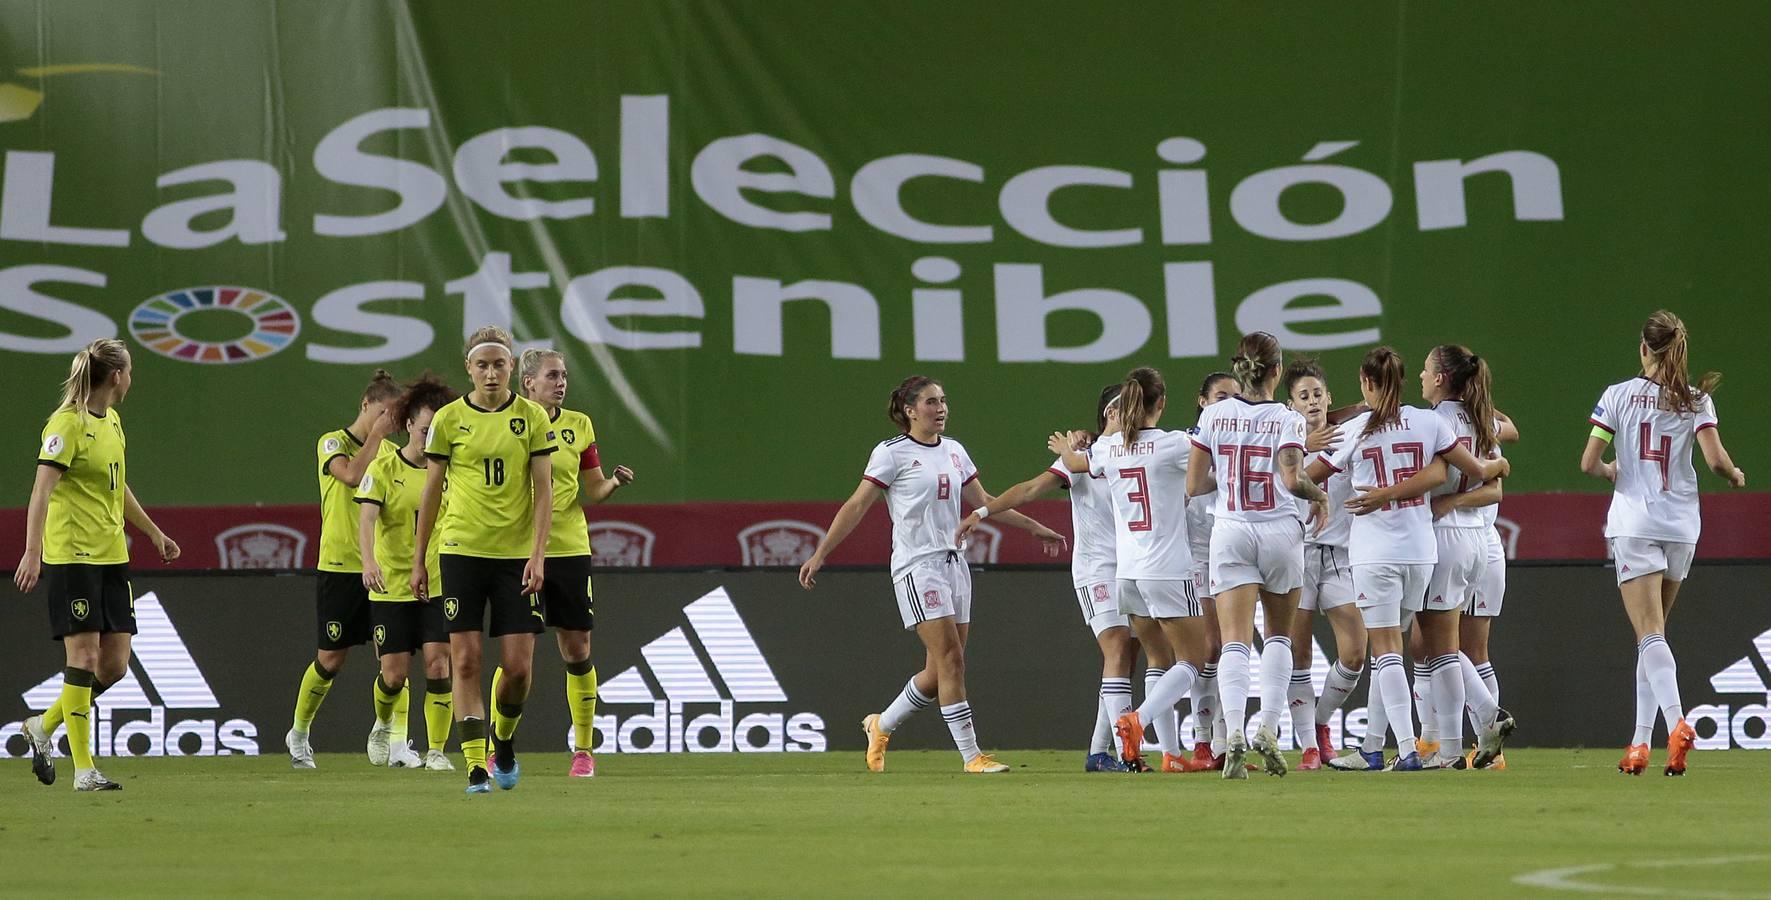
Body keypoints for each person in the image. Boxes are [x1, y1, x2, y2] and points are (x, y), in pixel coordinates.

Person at [799, 376, 1065, 774]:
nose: (940, 409)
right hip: (916, 566)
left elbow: (988, 502)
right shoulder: (891, 454)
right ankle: (972, 757)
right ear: (909, 411)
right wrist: (821, 552)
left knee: (938, 671)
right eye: (930, 402)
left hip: (955, 565)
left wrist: (1034, 527)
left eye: (943, 401)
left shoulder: (955, 451)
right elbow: (856, 505)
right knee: (951, 660)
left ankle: (881, 724)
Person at [1310, 347, 1510, 772]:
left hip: (1416, 541)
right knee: (1421, 649)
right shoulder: (1450, 419)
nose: (1422, 375)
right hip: (1451, 543)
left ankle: (1456, 736)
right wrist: (1499, 465)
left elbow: (1307, 475)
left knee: (1422, 651)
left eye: (1427, 369)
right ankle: (1381, 745)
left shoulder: (1377, 426)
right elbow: (1478, 456)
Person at [1582, 310, 1745, 777]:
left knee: (1649, 633)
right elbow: (1715, 460)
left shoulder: (1616, 396)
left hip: (1634, 523)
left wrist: (1613, 471)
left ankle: (1676, 723)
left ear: (1643, 348)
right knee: (1653, 636)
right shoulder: (1696, 400)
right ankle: (1638, 744)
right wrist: (1733, 474)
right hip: (1681, 528)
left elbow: (1589, 461)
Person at [16, 339, 180, 790]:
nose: (132, 379)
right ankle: (84, 770)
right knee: (84, 657)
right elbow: (41, 491)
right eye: (129, 372)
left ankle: (43, 726)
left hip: (112, 557)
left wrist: (152, 532)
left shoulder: (113, 423)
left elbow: (117, 486)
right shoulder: (65, 425)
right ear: (115, 377)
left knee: (114, 666)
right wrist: (33, 552)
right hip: (73, 557)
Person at [952, 386, 1135, 772]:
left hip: (1135, 567)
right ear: (1108, 414)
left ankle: (1099, 752)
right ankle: (1127, 754)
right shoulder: (1080, 458)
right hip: (1096, 568)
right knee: (1117, 649)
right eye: (1123, 407)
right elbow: (1030, 489)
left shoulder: (1140, 454)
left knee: (1124, 658)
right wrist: (981, 513)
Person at [413, 326, 556, 794]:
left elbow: (543, 490)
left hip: (515, 556)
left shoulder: (531, 417)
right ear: (469, 369)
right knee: (467, 660)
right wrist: (420, 559)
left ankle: (505, 741)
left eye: (499, 364)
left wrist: (538, 555)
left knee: (517, 669)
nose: (491, 373)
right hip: (460, 551)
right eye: (482, 365)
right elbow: (431, 493)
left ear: (512, 367)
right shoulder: (450, 420)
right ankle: (475, 766)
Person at [1049, 367, 1212, 774]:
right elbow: (1201, 478)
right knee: (1193, 660)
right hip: (1169, 569)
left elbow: (1075, 461)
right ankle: (1135, 721)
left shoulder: (1108, 450)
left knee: (1158, 658)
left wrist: (1069, 445)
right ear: (1161, 403)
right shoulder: (1175, 444)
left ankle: (1172, 755)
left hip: (1129, 574)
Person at [1189, 334, 1330, 778]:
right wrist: (1320, 496)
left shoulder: (1213, 415)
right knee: (1278, 636)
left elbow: (1194, 485)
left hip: (1230, 530)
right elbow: (1292, 480)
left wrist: (1231, 477)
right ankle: (1267, 726)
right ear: (1275, 372)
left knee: (1233, 641)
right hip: (1279, 532)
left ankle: (1232, 733)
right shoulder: (1288, 419)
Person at [518, 348, 634, 779]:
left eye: (564, 375)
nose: (561, 382)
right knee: (517, 658)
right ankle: (499, 748)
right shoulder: (508, 424)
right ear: (529, 382)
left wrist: (613, 484)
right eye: (552, 375)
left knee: (578, 648)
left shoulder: (579, 425)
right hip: (517, 548)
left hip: (568, 546)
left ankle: (583, 751)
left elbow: (593, 490)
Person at [285, 371, 401, 769]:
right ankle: (299, 731)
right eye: (384, 413)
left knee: (393, 660)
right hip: (338, 566)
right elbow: (350, 476)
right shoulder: (332, 442)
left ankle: (389, 734)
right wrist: (377, 436)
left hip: (381, 571)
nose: (389, 423)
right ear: (366, 405)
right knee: (331, 660)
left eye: (394, 417)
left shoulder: (389, 455)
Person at [355, 374, 460, 772]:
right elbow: (366, 519)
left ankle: (435, 750)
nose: (430, 436)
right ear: (410, 426)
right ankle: (384, 723)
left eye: (438, 430)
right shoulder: (383, 468)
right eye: (425, 428)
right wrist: (368, 561)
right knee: (394, 676)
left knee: (438, 663)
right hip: (390, 585)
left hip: (436, 581)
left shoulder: (450, 471)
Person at [1413, 345, 1509, 769]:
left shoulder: (1433, 422)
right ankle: (1460, 749)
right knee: (1454, 649)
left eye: (1425, 369)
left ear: (1439, 379)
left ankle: (1483, 720)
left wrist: (1444, 502)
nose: (1419, 375)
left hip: (1445, 538)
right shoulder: (1482, 419)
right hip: (1482, 539)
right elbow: (1499, 471)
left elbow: (1432, 475)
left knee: (1442, 650)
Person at [1281, 358, 1364, 770]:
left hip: (1340, 555)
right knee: (1297, 654)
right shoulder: (1284, 441)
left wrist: (1356, 410)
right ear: (1290, 405)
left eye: (1317, 394)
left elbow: (1370, 409)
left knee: (1355, 652)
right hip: (1296, 552)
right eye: (1303, 396)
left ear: (1329, 397)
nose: (1312, 402)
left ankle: (1319, 722)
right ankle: (1310, 747)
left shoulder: (1351, 431)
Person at [1184, 373, 1238, 769]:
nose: (1229, 403)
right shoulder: (1185, 442)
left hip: (1233, 545)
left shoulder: (1242, 439)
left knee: (1229, 647)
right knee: (1209, 647)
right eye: (1220, 396)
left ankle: (1223, 743)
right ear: (1202, 402)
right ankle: (1204, 741)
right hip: (1194, 552)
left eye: (1235, 397)